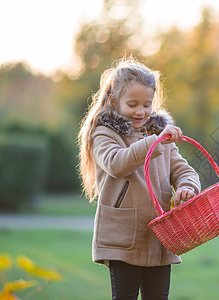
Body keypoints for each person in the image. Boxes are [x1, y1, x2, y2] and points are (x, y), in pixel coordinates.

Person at [77, 57, 201, 300]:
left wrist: (187, 187)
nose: (141, 111)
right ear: (114, 100)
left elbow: (184, 171)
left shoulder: (159, 135)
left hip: (161, 237)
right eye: (132, 104)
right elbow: (116, 164)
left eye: (147, 104)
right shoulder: (104, 132)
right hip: (123, 238)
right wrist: (154, 142)